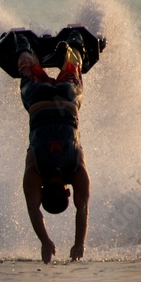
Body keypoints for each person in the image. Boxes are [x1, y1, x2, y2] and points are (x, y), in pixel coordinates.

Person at [17, 31, 90, 264]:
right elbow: (33, 211)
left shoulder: (76, 172)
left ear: (67, 191)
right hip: (38, 100)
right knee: (27, 71)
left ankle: (75, 45)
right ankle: (24, 48)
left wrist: (80, 243)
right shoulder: (34, 172)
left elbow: (83, 209)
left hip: (67, 100)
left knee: (74, 70)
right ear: (42, 192)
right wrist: (44, 241)